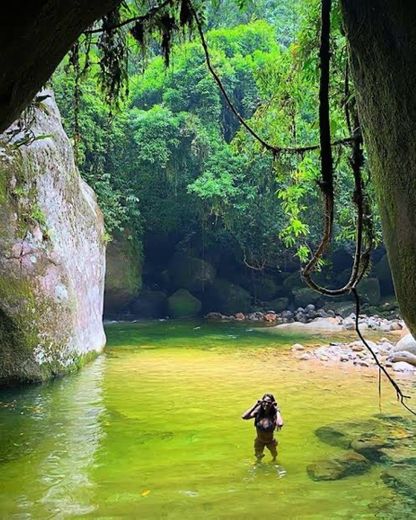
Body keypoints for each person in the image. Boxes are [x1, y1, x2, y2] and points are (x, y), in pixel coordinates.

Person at [242, 393, 284, 462]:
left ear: (272, 404)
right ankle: (258, 462)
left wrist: (277, 411)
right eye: (264, 402)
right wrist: (255, 405)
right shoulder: (258, 412)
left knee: (274, 454)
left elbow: (280, 424)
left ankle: (274, 460)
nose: (266, 404)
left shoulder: (274, 414)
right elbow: (244, 417)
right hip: (259, 441)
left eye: (269, 403)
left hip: (270, 441)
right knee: (258, 456)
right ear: (262, 402)